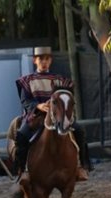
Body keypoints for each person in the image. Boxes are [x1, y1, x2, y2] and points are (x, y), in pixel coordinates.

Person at [14, 46, 91, 181]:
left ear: (50, 61)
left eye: (47, 59)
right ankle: (22, 170)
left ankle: (82, 167)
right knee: (21, 135)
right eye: (40, 59)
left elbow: (67, 98)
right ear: (34, 61)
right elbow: (25, 101)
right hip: (36, 116)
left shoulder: (60, 80)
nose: (44, 62)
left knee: (79, 131)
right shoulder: (27, 81)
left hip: (58, 116)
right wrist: (38, 105)